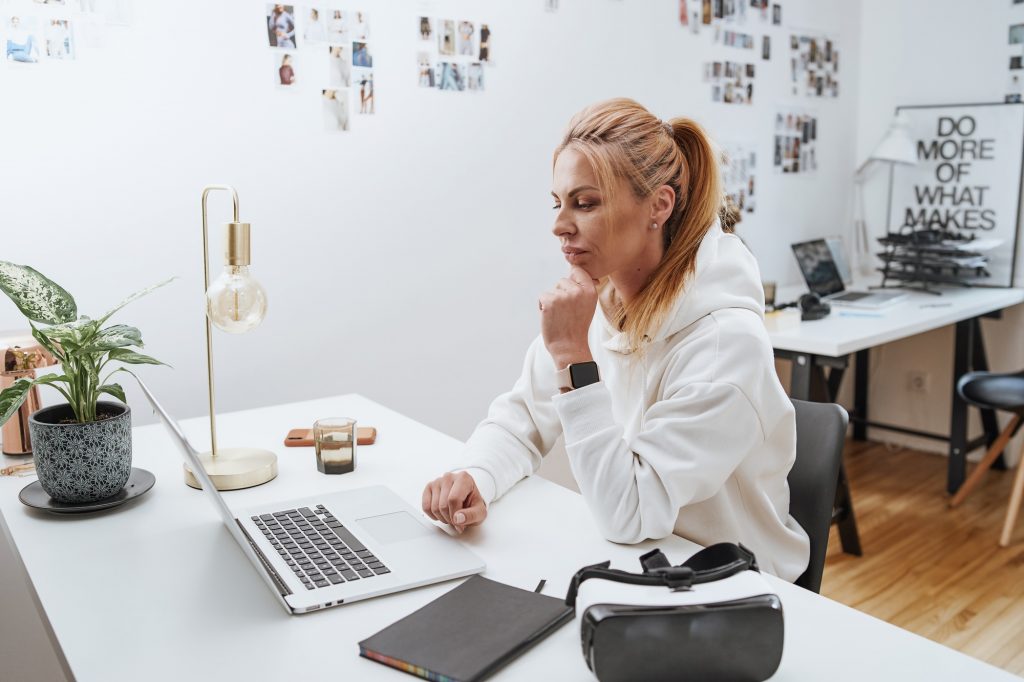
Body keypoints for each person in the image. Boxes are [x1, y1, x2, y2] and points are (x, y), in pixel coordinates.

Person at [421, 98, 809, 582]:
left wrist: (573, 358)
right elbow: (522, 419)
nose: (559, 225)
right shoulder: (600, 301)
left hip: (732, 588)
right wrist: (475, 475)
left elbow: (630, 512)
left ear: (659, 206)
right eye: (558, 202)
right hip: (643, 567)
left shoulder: (724, 344)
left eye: (585, 203)